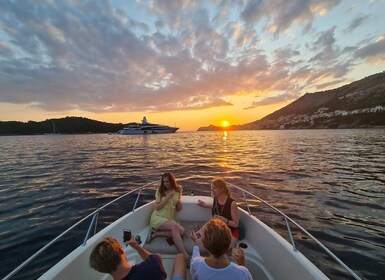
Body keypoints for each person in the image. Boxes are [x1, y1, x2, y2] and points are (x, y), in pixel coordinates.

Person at [89, 236, 186, 280]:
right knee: (180, 257)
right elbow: (156, 257)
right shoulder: (152, 265)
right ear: (121, 251)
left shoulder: (151, 264)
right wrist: (136, 246)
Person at [148, 172, 189, 259]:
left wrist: (179, 204)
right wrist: (167, 198)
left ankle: (156, 233)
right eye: (164, 182)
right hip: (158, 217)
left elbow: (176, 207)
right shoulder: (160, 191)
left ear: (172, 181)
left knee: (182, 231)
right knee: (175, 227)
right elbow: (157, 207)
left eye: (168, 181)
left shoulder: (178, 189)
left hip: (170, 218)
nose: (166, 184)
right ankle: (185, 256)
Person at [197, 178, 240, 247]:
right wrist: (205, 205)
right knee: (197, 237)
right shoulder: (216, 198)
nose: (211, 190)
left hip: (230, 232)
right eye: (212, 188)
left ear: (221, 189)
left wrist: (225, 220)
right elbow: (216, 207)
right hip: (218, 230)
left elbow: (236, 224)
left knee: (222, 250)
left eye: (214, 188)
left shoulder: (232, 204)